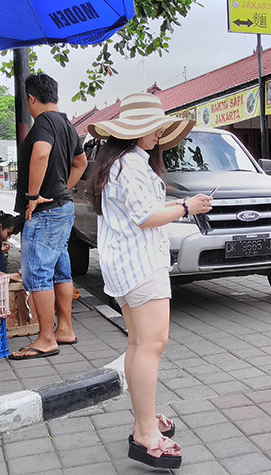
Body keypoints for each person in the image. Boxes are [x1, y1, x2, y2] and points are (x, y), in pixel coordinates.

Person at [87, 93, 211, 469]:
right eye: (151, 128)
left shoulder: (122, 164)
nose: (157, 134)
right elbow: (146, 216)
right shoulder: (130, 166)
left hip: (127, 262)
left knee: (141, 343)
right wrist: (189, 207)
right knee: (151, 343)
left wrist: (177, 202)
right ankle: (144, 432)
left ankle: (144, 419)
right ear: (134, 131)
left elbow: (141, 210)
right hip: (140, 264)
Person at [8, 74, 88, 361]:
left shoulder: (42, 122)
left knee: (38, 273)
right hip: (63, 208)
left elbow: (41, 154)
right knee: (60, 269)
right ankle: (64, 329)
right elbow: (81, 162)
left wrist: (33, 196)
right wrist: (62, 188)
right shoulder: (66, 123)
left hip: (45, 211)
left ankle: (45, 339)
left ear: (31, 98)